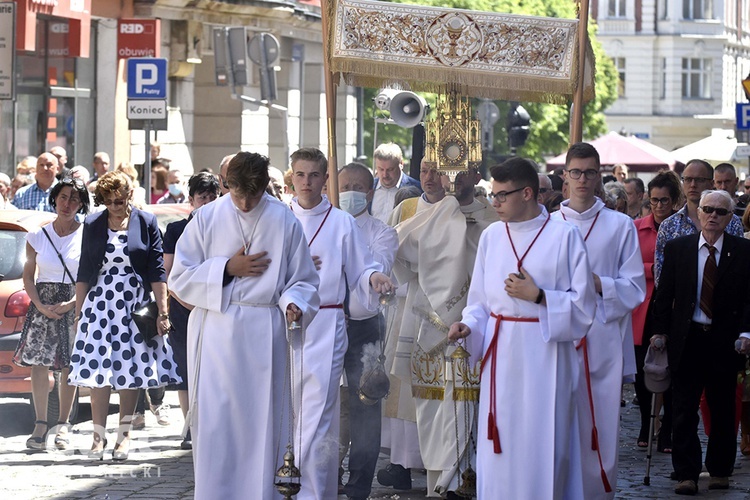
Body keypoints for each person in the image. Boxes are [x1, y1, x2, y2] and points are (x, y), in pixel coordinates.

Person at [168, 151, 319, 498]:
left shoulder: (283, 219)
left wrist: (294, 302)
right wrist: (225, 269)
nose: (246, 203)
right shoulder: (206, 217)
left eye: (254, 195)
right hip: (217, 332)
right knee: (218, 424)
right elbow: (179, 277)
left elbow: (303, 279)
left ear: (266, 187)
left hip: (265, 329)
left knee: (261, 423)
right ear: (226, 185)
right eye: (238, 194)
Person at [448, 157, 597, 498]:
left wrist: (540, 296)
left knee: (546, 443)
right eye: (494, 194)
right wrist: (469, 325)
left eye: (502, 195)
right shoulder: (491, 236)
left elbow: (584, 308)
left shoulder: (565, 236)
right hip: (502, 355)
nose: (495, 202)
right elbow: (479, 303)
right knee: (501, 445)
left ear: (528, 193)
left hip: (548, 355)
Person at [387, 162, 498, 498]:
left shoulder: (491, 220)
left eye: (447, 170)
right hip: (427, 322)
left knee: (469, 408)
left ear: (475, 174)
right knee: (434, 411)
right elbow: (393, 252)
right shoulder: (418, 213)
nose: (435, 177)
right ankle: (439, 482)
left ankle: (465, 481)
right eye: (426, 169)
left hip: (474, 326)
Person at [290, 147, 393, 499]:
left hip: (327, 320)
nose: (307, 182)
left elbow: (361, 266)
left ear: (324, 179)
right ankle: (284, 477)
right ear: (291, 176)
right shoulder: (278, 217)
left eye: (314, 175)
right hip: (284, 322)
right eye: (300, 175)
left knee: (320, 410)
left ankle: (315, 487)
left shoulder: (341, 223)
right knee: (285, 407)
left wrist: (374, 277)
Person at [552, 143, 646, 499]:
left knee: (599, 426)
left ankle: (595, 492)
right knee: (558, 423)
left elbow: (635, 286)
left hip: (603, 338)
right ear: (565, 176)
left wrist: (598, 284)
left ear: (599, 176)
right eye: (575, 172)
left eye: (590, 172)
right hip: (558, 337)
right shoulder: (550, 224)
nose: (582, 179)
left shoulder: (620, 225)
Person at [68, 171, 181, 461]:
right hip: (101, 304)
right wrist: (80, 312)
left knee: (131, 370)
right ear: (102, 199)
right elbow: (84, 271)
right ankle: (97, 438)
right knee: (98, 372)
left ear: (129, 195)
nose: (115, 205)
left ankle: (124, 435)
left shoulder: (145, 221)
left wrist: (163, 311)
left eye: (119, 200)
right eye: (109, 201)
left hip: (134, 303)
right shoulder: (93, 222)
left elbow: (157, 270)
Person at [651, 189, 750, 495]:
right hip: (688, 338)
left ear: (729, 217)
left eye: (720, 212)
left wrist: (746, 333)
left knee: (722, 409)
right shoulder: (679, 248)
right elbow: (663, 294)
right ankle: (687, 473)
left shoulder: (743, 251)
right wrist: (659, 331)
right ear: (699, 212)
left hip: (724, 341)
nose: (712, 216)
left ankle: (720, 470)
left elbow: (749, 298)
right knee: (682, 409)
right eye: (707, 209)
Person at [378, 160, 446, 491]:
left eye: (438, 170)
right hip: (407, 305)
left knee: (442, 388)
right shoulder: (405, 208)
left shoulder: (460, 210)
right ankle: (403, 462)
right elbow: (385, 252)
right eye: (425, 170)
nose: (430, 178)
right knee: (404, 386)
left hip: (447, 307)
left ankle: (443, 463)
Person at [13, 177, 89, 450]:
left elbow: (91, 276)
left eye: (74, 199)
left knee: (69, 364)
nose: (67, 204)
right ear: (54, 199)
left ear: (81, 204)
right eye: (63, 197)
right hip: (42, 304)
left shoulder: (87, 234)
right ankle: (41, 423)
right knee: (39, 365)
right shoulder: (36, 235)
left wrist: (71, 303)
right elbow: (29, 277)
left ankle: (64, 424)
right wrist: (40, 305)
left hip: (74, 302)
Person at [337, 163, 398, 499]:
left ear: (370, 192)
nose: (351, 193)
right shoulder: (324, 227)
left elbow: (375, 269)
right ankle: (326, 471)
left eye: (358, 187)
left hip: (365, 326)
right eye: (345, 186)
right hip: (328, 323)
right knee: (325, 401)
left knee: (365, 403)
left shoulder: (381, 232)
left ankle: (359, 482)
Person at [162, 172, 220, 450]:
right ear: (191, 199)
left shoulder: (223, 227)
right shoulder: (176, 229)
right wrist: (189, 303)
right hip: (184, 309)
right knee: (185, 370)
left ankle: (211, 425)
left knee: (213, 369)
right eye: (202, 197)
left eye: (212, 197)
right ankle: (189, 426)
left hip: (215, 306)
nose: (207, 202)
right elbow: (169, 275)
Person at [632, 171, 681, 451]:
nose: (659, 206)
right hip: (642, 307)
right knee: (641, 369)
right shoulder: (637, 228)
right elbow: (627, 268)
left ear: (674, 201)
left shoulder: (682, 228)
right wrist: (656, 270)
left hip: (672, 308)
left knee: (673, 368)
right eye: (654, 201)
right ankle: (646, 422)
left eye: (664, 201)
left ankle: (668, 429)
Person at [655, 159, 744, 287]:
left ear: (711, 183)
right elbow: (661, 274)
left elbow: (740, 265)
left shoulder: (731, 221)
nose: (693, 185)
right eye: (687, 179)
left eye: (699, 180)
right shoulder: (668, 225)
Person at [370, 143, 421, 222]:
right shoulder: (368, 187)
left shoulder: (417, 189)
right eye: (380, 169)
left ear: (401, 164)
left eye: (390, 169)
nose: (385, 174)